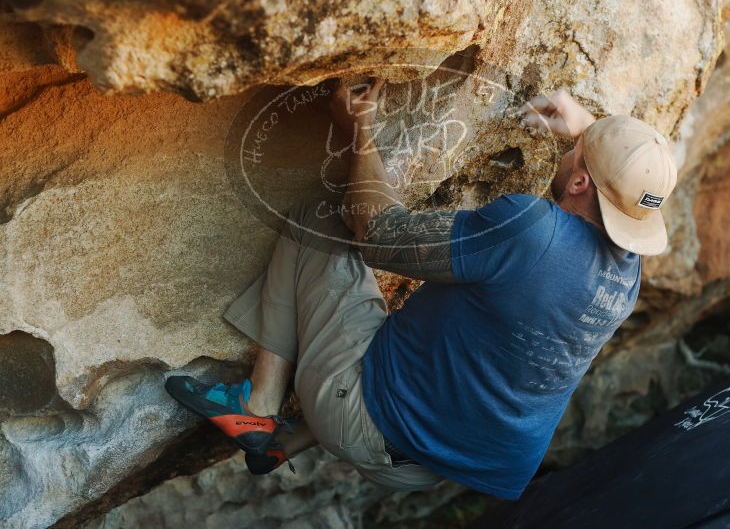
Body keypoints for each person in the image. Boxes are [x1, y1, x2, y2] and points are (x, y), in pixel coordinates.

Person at [165, 80, 677, 499]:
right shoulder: (625, 275)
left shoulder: (532, 228)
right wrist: (589, 132)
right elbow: (627, 192)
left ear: (582, 183)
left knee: (318, 218)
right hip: (427, 467)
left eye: (578, 155)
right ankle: (289, 441)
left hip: (366, 420)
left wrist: (359, 131)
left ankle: (258, 406)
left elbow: (380, 237)